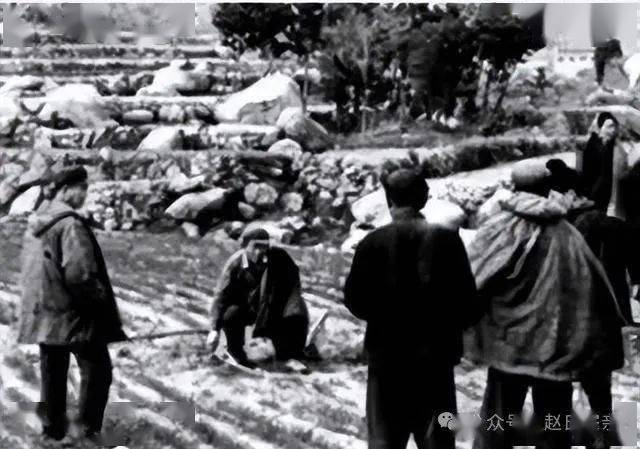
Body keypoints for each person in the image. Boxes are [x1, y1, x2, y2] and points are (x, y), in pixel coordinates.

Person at [467, 160, 625, 449]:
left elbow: (471, 280)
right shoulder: (568, 235)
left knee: (498, 420)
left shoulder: (496, 229)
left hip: (508, 345)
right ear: (547, 188)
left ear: (513, 187)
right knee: (553, 424)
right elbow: (592, 289)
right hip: (554, 348)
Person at [343, 157, 481, 449]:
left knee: (385, 440)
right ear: (424, 198)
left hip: (387, 358)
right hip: (436, 360)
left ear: (389, 200)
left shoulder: (371, 243)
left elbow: (355, 301)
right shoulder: (448, 240)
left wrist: (386, 317)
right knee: (438, 440)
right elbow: (468, 302)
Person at [17, 165, 127, 443]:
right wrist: (100, 306)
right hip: (73, 314)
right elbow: (80, 274)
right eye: (83, 188)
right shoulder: (70, 224)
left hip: (44, 312)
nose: (85, 194)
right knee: (98, 370)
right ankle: (85, 433)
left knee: (52, 373)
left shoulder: (36, 223)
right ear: (66, 190)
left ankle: (52, 433)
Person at [547, 158, 638, 449]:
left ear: (569, 195)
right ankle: (601, 439)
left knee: (558, 393)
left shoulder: (556, 228)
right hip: (602, 322)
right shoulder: (614, 226)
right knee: (600, 393)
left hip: (565, 322)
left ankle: (562, 437)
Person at [207, 228, 310, 369]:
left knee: (295, 310)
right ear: (244, 246)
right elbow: (221, 296)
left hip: (273, 306)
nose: (260, 251)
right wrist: (214, 329)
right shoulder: (236, 264)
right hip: (249, 308)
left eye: (264, 247)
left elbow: (293, 280)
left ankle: (289, 354)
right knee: (230, 314)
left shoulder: (277, 257)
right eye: (255, 246)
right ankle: (237, 354)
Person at [578, 112, 619, 212]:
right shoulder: (594, 145)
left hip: (604, 193)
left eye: (614, 126)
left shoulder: (609, 145)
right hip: (596, 192)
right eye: (609, 126)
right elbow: (590, 172)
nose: (613, 130)